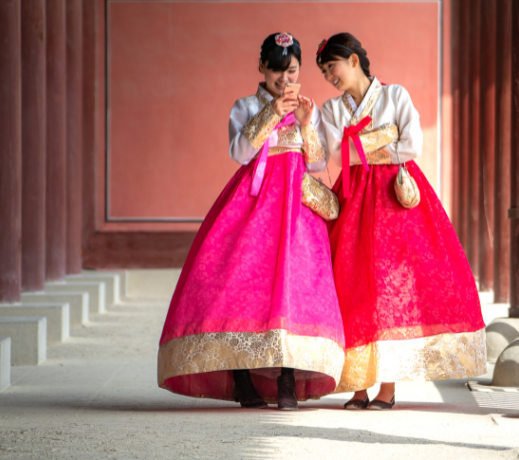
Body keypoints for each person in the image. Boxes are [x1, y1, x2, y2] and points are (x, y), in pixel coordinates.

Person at [157, 32, 344, 411]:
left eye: (291, 71)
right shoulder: (244, 106)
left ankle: (288, 378)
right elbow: (240, 151)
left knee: (295, 289)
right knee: (241, 286)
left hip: (296, 210)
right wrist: (273, 111)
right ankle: (242, 377)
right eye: (276, 71)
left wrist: (307, 123)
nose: (284, 80)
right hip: (253, 204)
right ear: (261, 68)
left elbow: (320, 163)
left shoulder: (309, 108)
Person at [316, 33, 486, 411]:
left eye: (333, 67)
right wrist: (384, 138)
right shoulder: (330, 109)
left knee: (391, 290)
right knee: (353, 285)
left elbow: (411, 145)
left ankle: (387, 388)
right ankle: (358, 386)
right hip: (354, 200)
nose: (330, 76)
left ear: (354, 60)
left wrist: (358, 146)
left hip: (395, 201)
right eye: (325, 71)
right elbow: (334, 153)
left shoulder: (396, 96)